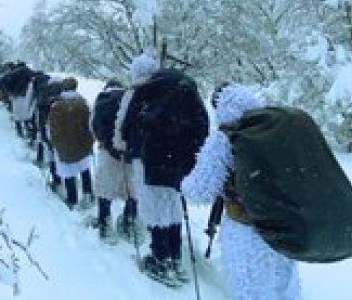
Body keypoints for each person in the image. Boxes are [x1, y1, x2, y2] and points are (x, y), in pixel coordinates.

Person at [180, 83, 302, 300]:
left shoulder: (226, 137)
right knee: (285, 290)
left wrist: (183, 185)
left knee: (252, 292)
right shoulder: (276, 128)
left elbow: (200, 189)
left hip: (246, 230)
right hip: (286, 226)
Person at [114, 53, 209, 286]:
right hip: (181, 159)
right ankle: (176, 258)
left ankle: (159, 258)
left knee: (154, 207)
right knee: (173, 205)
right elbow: (203, 123)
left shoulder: (140, 91)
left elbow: (124, 128)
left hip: (150, 158)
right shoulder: (184, 87)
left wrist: (126, 145)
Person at [89, 79, 138, 243]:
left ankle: (104, 223)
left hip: (108, 153)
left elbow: (93, 126)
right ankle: (128, 221)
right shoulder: (134, 100)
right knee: (131, 189)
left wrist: (104, 141)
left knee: (105, 188)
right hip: (132, 155)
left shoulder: (102, 100)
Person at [47, 86, 95, 210]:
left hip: (65, 145)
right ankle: (88, 193)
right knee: (84, 167)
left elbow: (52, 129)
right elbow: (91, 124)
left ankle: (72, 200)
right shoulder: (83, 103)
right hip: (82, 144)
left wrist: (54, 143)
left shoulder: (56, 106)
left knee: (68, 171)